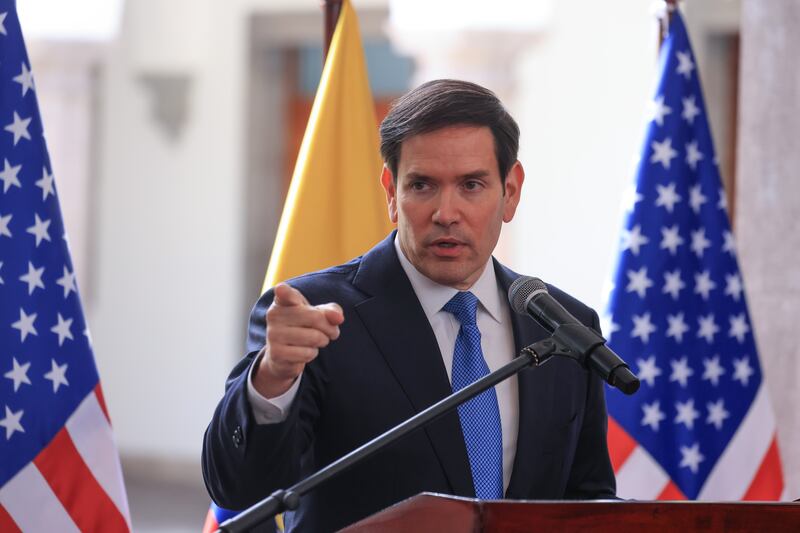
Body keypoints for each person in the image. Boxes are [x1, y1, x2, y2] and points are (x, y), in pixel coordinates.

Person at [202, 79, 616, 532]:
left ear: (511, 191)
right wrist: (273, 378)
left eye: (471, 185)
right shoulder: (315, 316)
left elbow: (586, 502)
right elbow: (243, 490)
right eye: (421, 185)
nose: (446, 212)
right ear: (390, 192)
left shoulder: (562, 328)